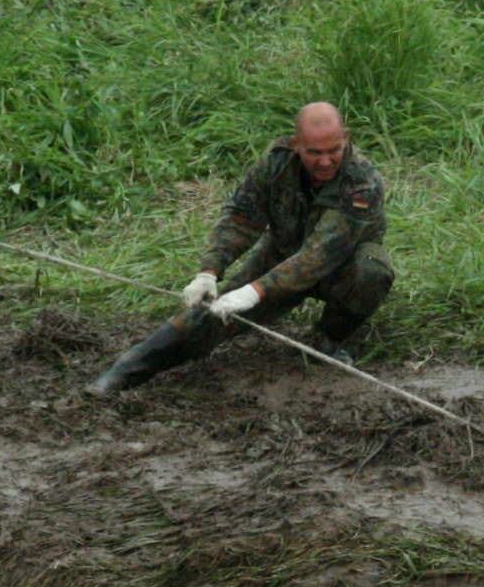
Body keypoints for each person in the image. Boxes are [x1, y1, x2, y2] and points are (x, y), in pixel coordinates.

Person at [87, 101, 394, 394]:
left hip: (339, 267)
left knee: (372, 269)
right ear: (296, 144)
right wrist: (209, 271)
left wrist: (254, 292)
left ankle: (328, 339)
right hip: (281, 254)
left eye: (334, 150)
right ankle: (129, 368)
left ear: (346, 138)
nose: (325, 162)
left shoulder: (362, 182)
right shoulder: (277, 163)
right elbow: (241, 217)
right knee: (213, 317)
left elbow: (318, 256)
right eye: (314, 152)